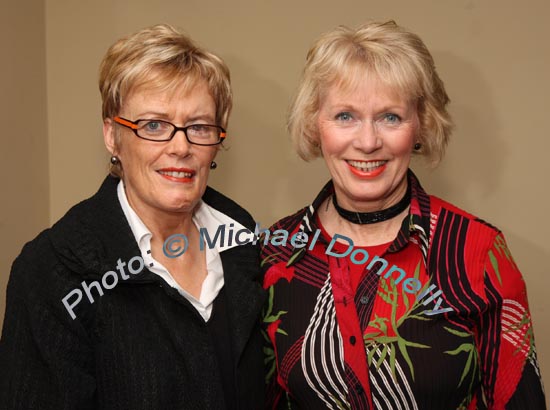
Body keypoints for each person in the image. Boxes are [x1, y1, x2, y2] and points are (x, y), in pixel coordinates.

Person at [261, 21, 546, 409]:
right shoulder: (275, 253)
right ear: (315, 124)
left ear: (422, 126)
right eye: (345, 115)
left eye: (390, 117)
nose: (367, 142)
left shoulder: (477, 251)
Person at [0, 24, 264, 409]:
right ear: (112, 136)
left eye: (199, 126)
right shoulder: (51, 273)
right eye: (154, 125)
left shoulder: (244, 243)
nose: (181, 146)